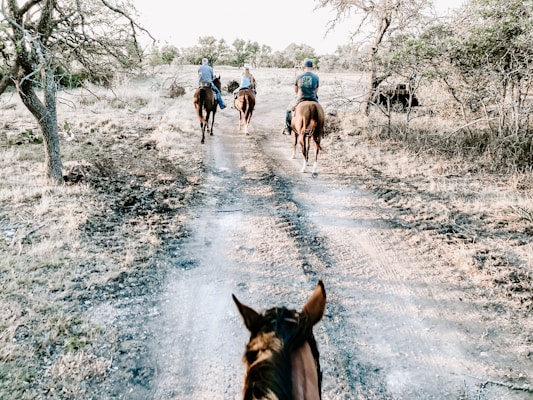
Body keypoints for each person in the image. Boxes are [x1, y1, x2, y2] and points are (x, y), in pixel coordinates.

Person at [282, 59, 319, 135]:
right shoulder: (316, 77)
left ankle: (288, 128)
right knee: (320, 113)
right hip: (313, 98)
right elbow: (316, 90)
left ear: (304, 67)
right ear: (312, 68)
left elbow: (296, 90)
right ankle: (321, 128)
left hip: (300, 99)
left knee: (288, 111)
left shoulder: (299, 76)